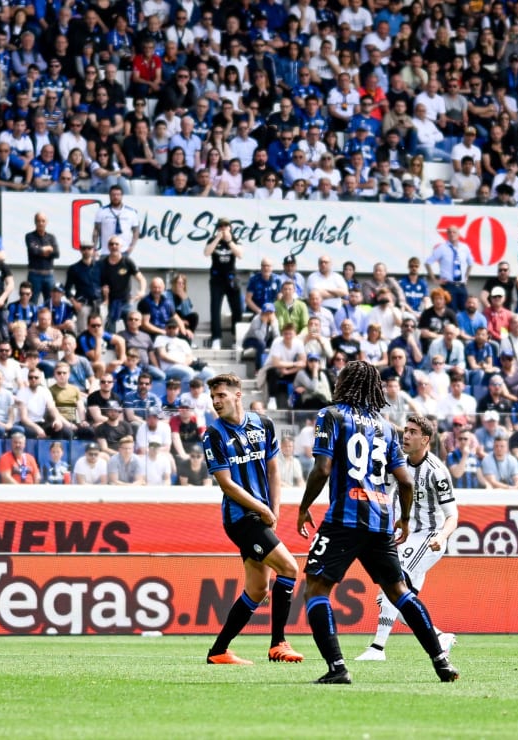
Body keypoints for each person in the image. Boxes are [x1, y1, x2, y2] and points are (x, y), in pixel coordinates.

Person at [297, 360, 459, 684]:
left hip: (344, 518)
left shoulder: (332, 415)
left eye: (341, 376)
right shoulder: (386, 426)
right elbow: (406, 481)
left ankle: (337, 668)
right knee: (399, 590)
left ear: (345, 383)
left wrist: (303, 507)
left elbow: (322, 469)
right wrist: (403, 519)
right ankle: (440, 661)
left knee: (316, 588)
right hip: (381, 519)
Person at [201, 373, 304, 666]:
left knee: (258, 590)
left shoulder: (263, 424)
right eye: (213, 397)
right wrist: (263, 509)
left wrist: (275, 511)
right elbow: (226, 484)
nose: (216, 402)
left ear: (237, 394)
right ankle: (278, 644)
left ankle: (218, 651)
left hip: (261, 515)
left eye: (221, 395)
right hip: (240, 518)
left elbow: (274, 471)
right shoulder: (214, 434)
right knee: (289, 568)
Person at [356, 414, 458, 662]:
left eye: (413, 432)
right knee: (394, 597)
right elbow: (383, 491)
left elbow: (453, 515)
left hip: (429, 537)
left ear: (425, 439)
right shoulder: (398, 463)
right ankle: (438, 637)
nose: (407, 435)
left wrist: (442, 537)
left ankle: (377, 648)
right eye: (406, 430)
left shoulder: (437, 472)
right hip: (404, 537)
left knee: (394, 586)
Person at [203, 218, 243, 349]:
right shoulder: (212, 240)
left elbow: (240, 254)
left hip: (231, 279)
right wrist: (217, 239)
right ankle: (216, 338)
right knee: (215, 309)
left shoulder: (235, 239)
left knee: (237, 309)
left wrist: (229, 240)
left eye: (226, 226)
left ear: (230, 227)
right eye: (220, 226)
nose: (223, 228)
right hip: (217, 280)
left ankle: (236, 338)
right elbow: (206, 253)